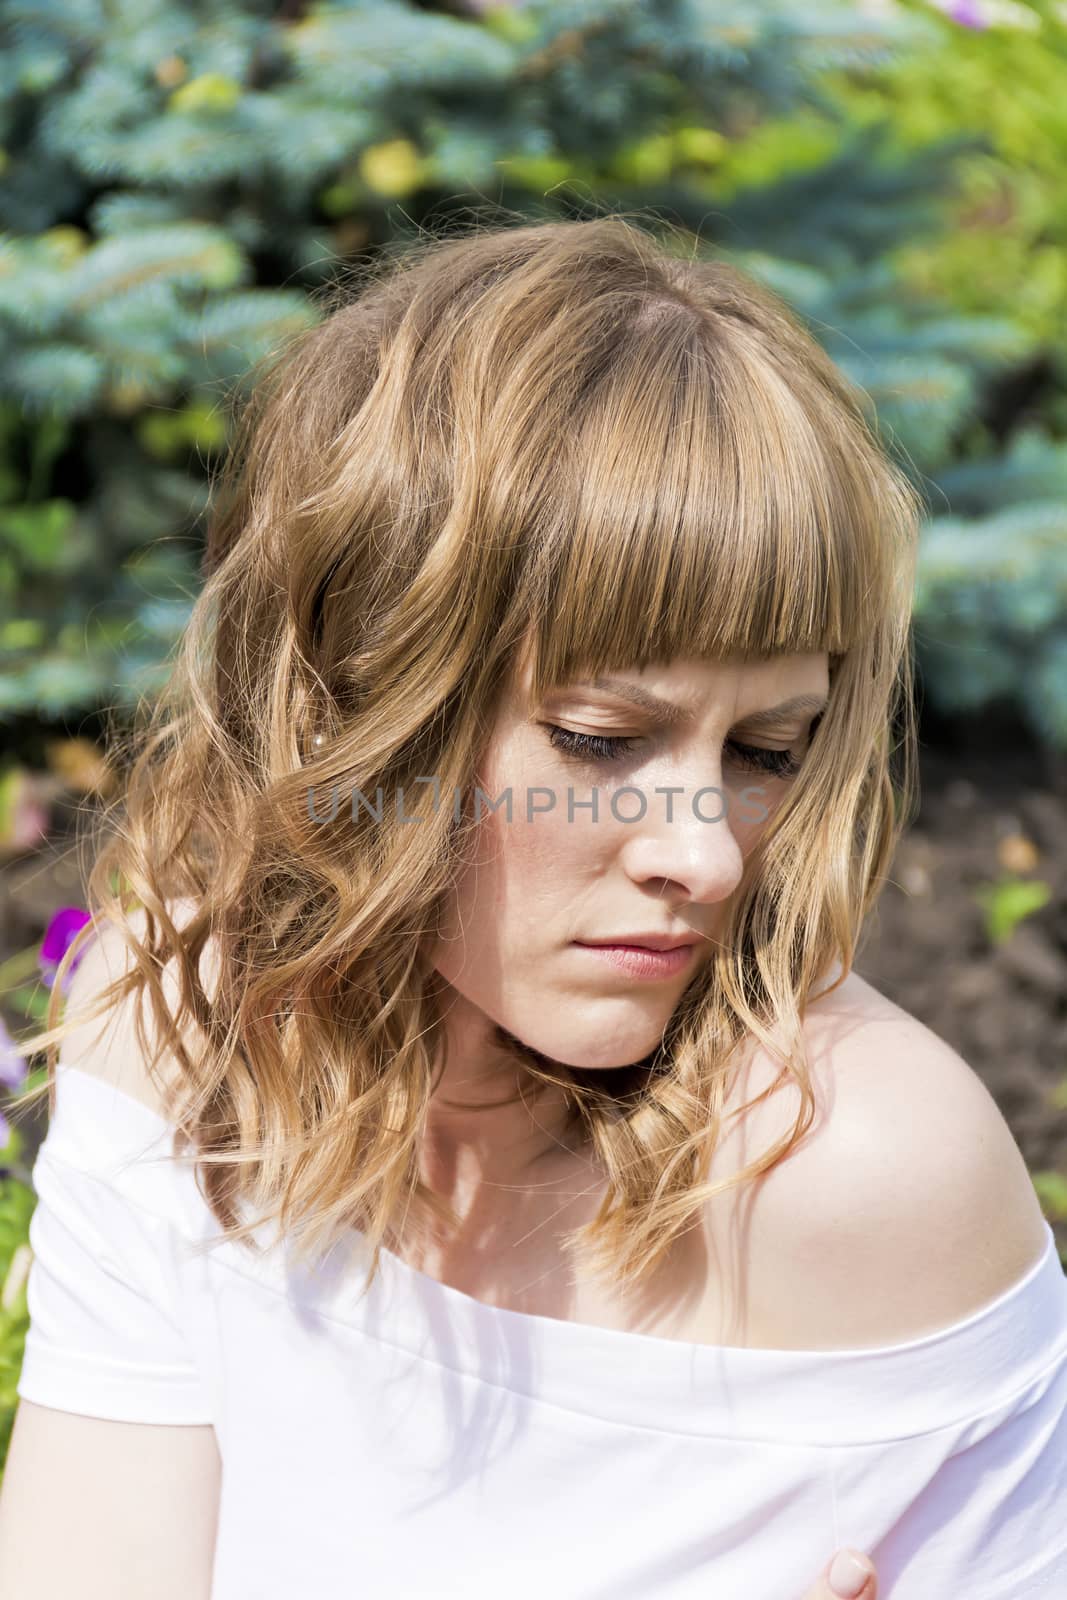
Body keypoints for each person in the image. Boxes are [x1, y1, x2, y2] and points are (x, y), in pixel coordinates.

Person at [0, 215, 1063, 1598]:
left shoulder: (847, 1172)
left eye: (766, 752)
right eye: (602, 740)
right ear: (364, 706)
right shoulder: (189, 1037)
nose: (712, 857)